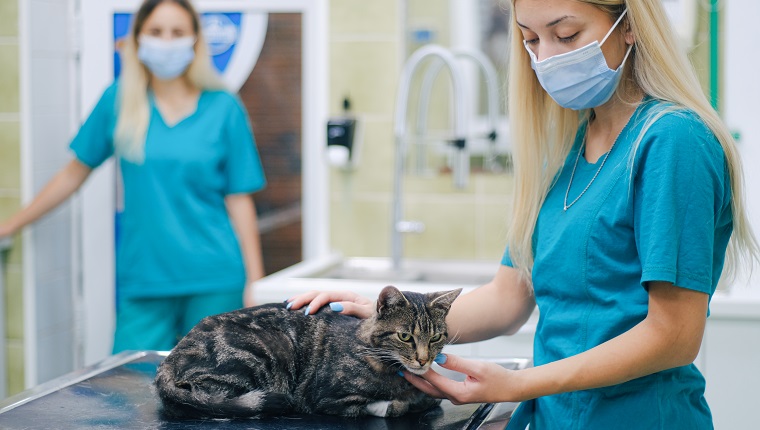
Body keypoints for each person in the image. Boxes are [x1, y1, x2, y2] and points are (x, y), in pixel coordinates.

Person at [286, 0, 759, 428]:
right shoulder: (568, 151)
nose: (547, 58)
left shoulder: (673, 141)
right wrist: (382, 318)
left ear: (630, 24)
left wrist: (515, 385)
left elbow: (674, 335)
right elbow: (506, 300)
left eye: (566, 35)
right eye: (531, 39)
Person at [0, 0, 267, 353]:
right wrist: (10, 225)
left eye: (177, 33)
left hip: (214, 274)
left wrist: (256, 281)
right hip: (146, 276)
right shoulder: (119, 101)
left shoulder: (223, 107)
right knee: (129, 388)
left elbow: (239, 198)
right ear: (138, 40)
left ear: (195, 41)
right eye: (156, 32)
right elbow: (71, 175)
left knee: (214, 389)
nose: (166, 41)